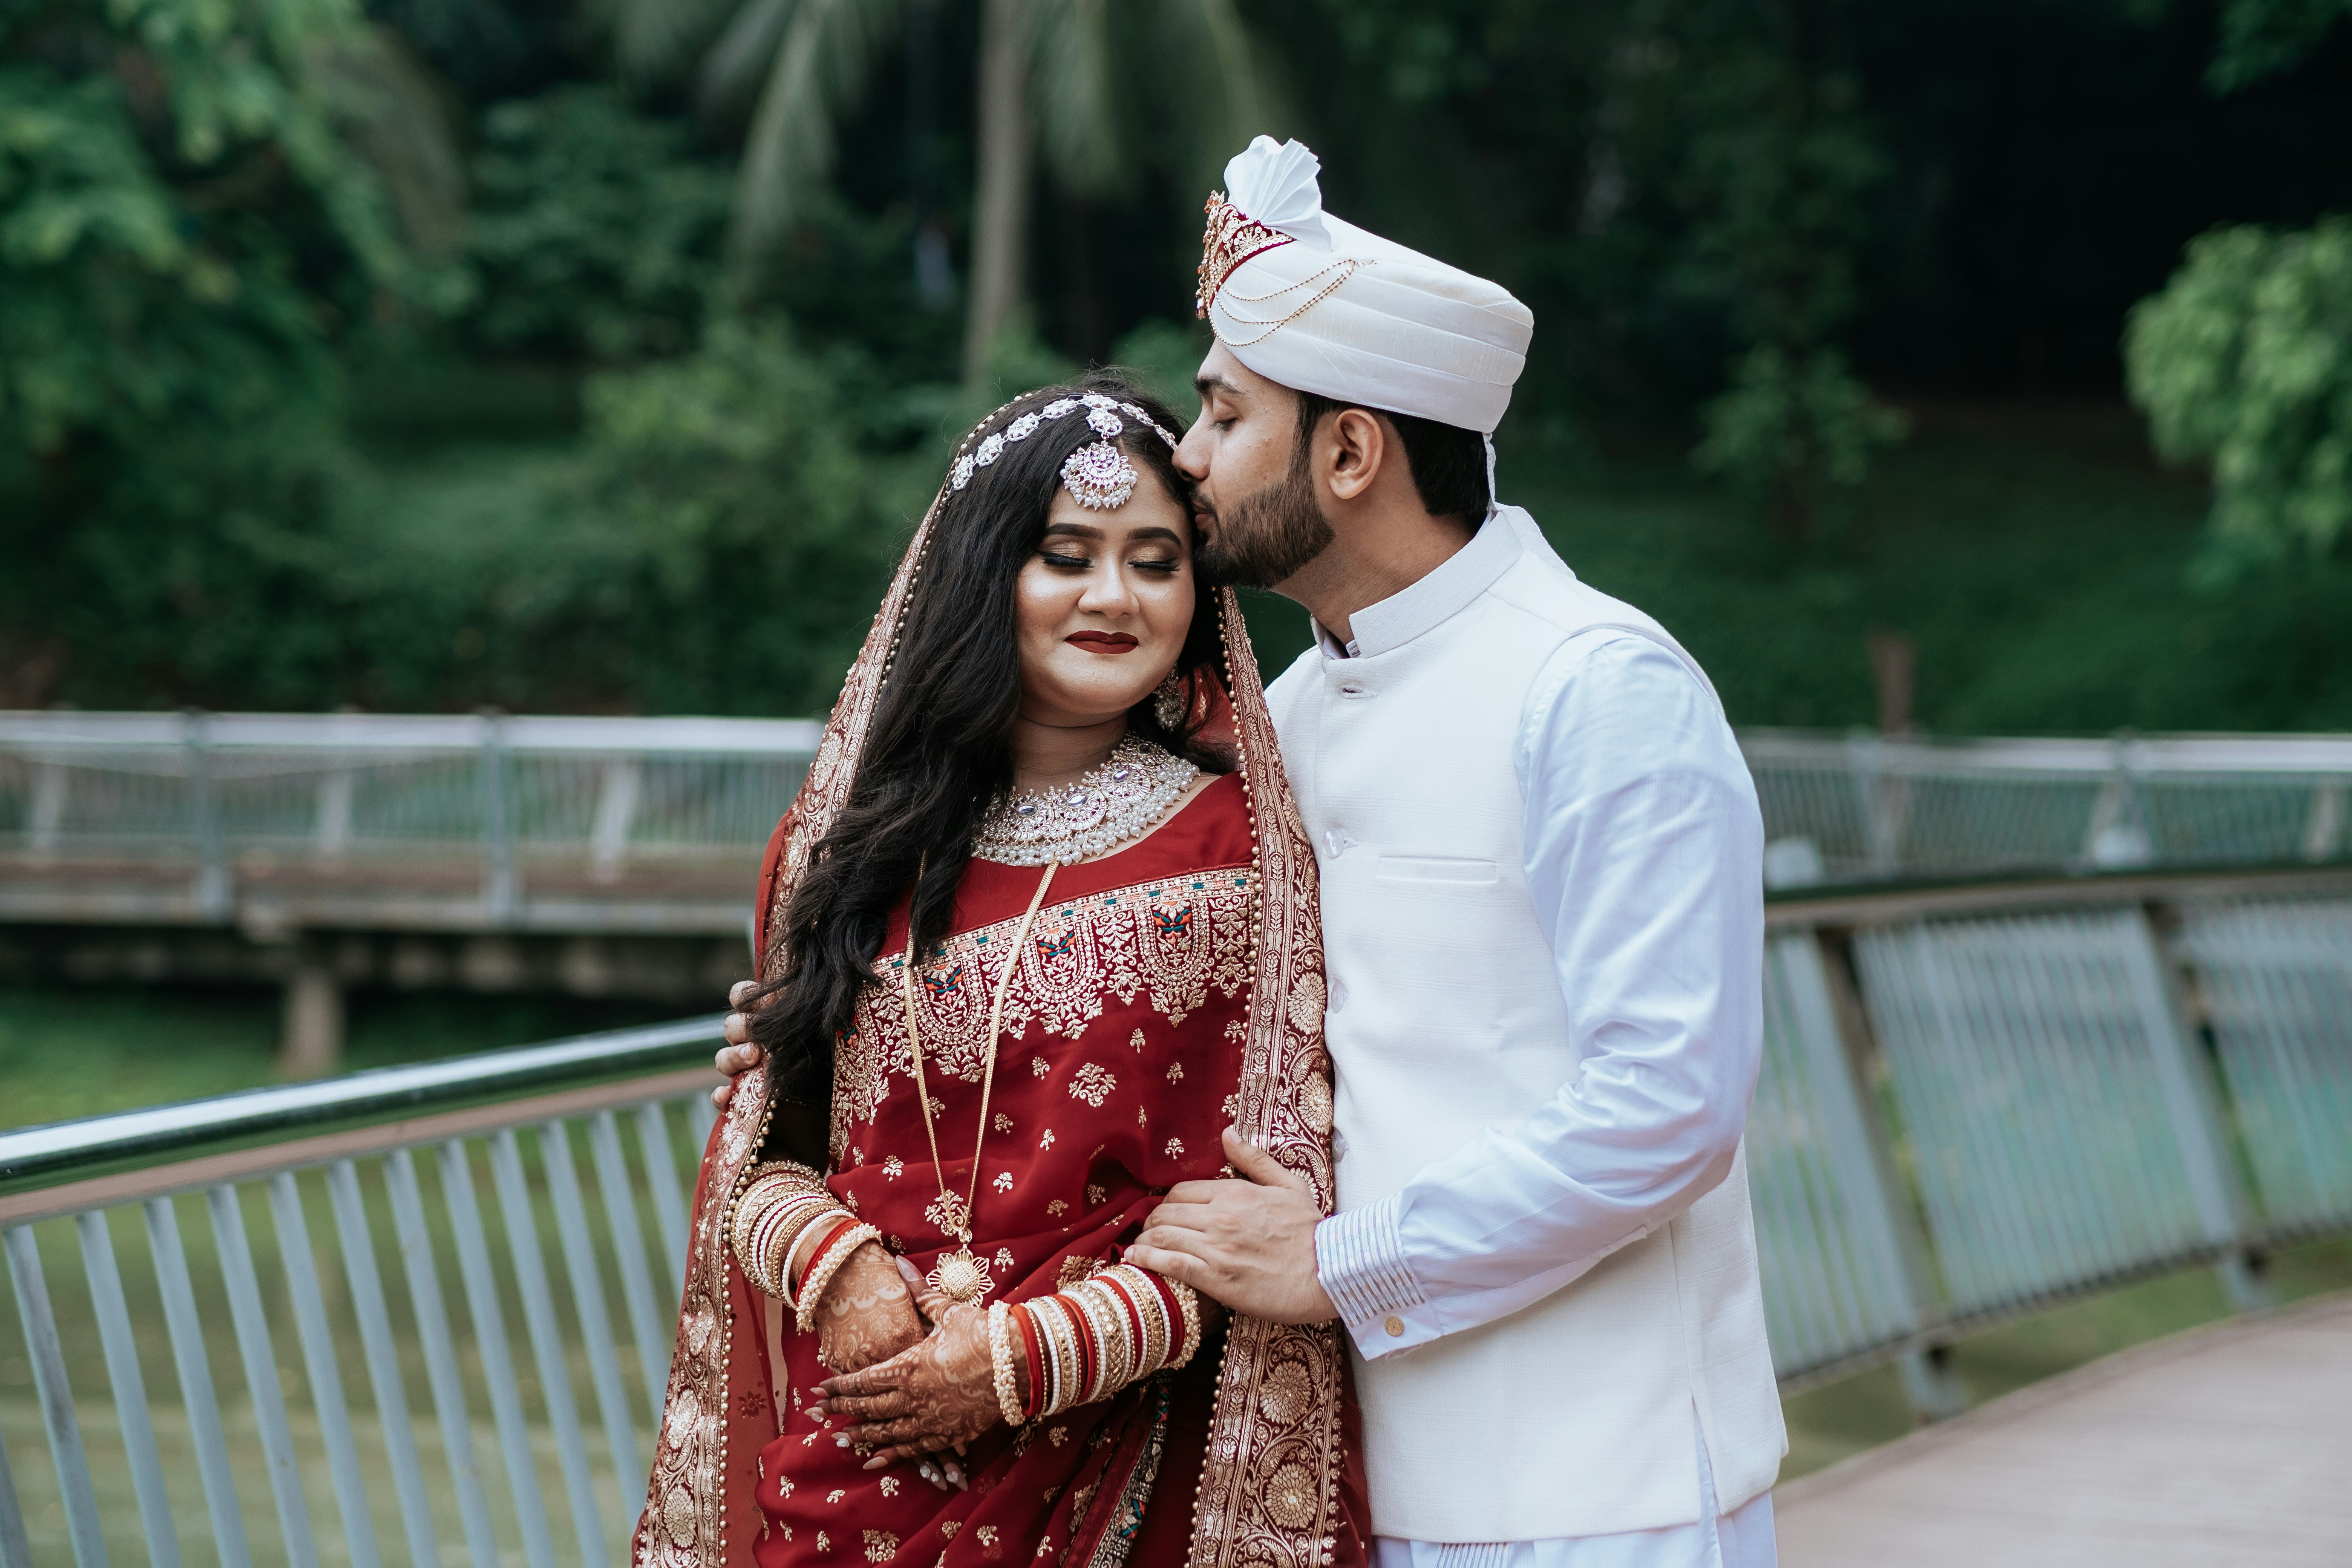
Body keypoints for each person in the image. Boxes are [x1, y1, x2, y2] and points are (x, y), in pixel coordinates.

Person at [1121, 137, 1787, 1566]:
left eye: (1225, 415)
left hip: (1610, 1497)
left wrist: (1340, 1265)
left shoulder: (1600, 689)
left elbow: (1671, 1104)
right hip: (1363, 1484)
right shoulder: (1290, 713)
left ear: (1350, 453)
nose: (1187, 456)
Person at [635, 378, 1370, 1568]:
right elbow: (763, 1160)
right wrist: (843, 1274)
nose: (1113, 598)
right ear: (985, 578)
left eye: (1155, 561)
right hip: (853, 1461)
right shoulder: (847, 846)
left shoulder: (1246, 855)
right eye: (1065, 557)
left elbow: (1253, 1214)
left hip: (1115, 1467)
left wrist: (1015, 1365)